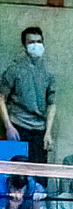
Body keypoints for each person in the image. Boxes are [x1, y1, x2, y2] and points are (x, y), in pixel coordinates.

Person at [0, 26, 56, 162]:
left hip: (40, 130)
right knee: (16, 176)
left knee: (39, 176)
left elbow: (52, 104)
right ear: (24, 45)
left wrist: (48, 132)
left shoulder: (49, 71)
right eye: (31, 42)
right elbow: (1, 98)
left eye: (38, 41)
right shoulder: (14, 69)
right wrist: (9, 126)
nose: (36, 45)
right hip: (18, 127)